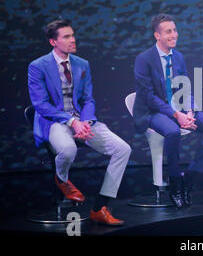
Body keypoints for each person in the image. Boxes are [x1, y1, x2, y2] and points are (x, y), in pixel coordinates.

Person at [28, 20, 131, 225]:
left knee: (123, 149)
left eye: (72, 35)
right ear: (53, 42)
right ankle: (62, 178)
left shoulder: (82, 64)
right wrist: (72, 121)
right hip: (55, 120)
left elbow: (87, 99)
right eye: (66, 37)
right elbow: (41, 104)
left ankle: (100, 207)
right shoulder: (37, 67)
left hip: (81, 120)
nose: (72, 39)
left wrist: (84, 122)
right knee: (68, 150)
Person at [133, 13, 203, 208]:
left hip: (179, 109)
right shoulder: (144, 59)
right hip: (153, 111)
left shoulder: (179, 57)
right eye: (168, 31)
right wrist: (177, 115)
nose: (174, 34)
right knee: (173, 131)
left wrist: (190, 110)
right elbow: (149, 97)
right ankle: (175, 182)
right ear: (157, 35)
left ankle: (189, 178)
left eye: (175, 30)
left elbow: (186, 88)